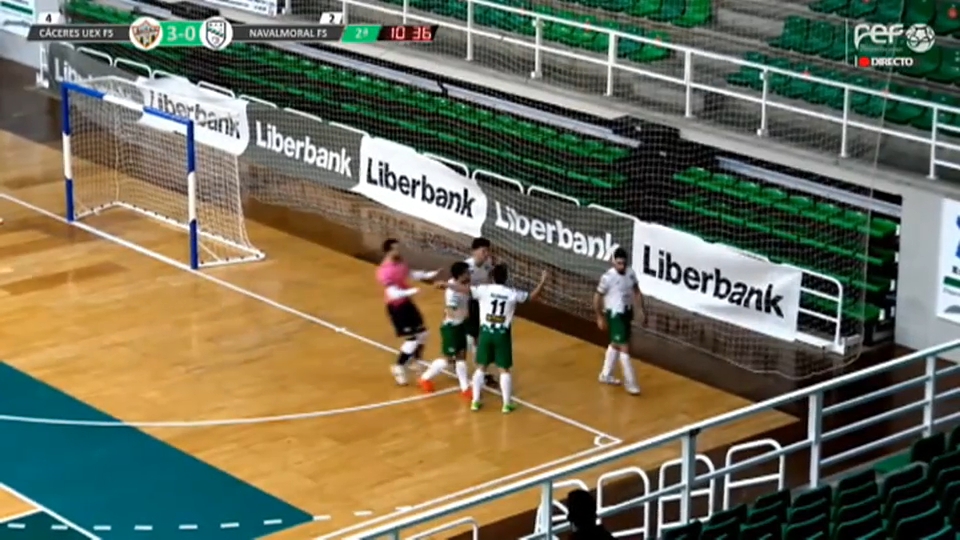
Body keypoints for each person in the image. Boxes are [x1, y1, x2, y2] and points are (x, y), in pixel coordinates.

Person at [444, 264, 548, 413]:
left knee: (481, 367)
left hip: (485, 333)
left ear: (492, 277)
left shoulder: (484, 290)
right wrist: (542, 281)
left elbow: (464, 289)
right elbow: (531, 297)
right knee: (504, 369)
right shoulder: (512, 293)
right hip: (502, 334)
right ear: (506, 278)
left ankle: (475, 401)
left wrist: (446, 284)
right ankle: (506, 404)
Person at [375, 238, 439, 385]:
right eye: (396, 249)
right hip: (396, 307)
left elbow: (410, 274)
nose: (399, 251)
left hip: (407, 304)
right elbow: (393, 293)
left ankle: (416, 361)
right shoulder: (384, 271)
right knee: (411, 339)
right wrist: (412, 291)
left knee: (423, 333)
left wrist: (429, 275)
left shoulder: (400, 263)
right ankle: (398, 366)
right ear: (389, 251)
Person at [593, 247, 644, 396]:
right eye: (618, 263)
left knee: (616, 344)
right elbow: (597, 296)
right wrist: (599, 316)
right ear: (613, 261)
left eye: (623, 263)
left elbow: (636, 291)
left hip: (627, 312)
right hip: (615, 315)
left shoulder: (630, 273)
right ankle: (631, 383)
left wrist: (639, 309)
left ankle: (606, 374)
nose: (621, 266)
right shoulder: (607, 278)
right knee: (624, 347)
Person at [418, 261, 472, 399]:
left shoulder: (459, 284)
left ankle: (465, 388)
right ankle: (425, 378)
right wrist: (462, 315)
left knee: (461, 356)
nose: (469, 274)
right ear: (460, 275)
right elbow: (450, 310)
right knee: (449, 360)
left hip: (460, 326)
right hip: (451, 328)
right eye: (467, 273)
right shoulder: (453, 293)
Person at [464, 237, 499, 389]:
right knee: (473, 337)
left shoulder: (488, 264)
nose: (486, 254)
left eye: (487, 251)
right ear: (474, 251)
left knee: (479, 337)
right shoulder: (467, 267)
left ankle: (481, 372)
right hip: (468, 304)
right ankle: (479, 371)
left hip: (481, 304)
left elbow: (489, 281)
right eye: (483, 251)